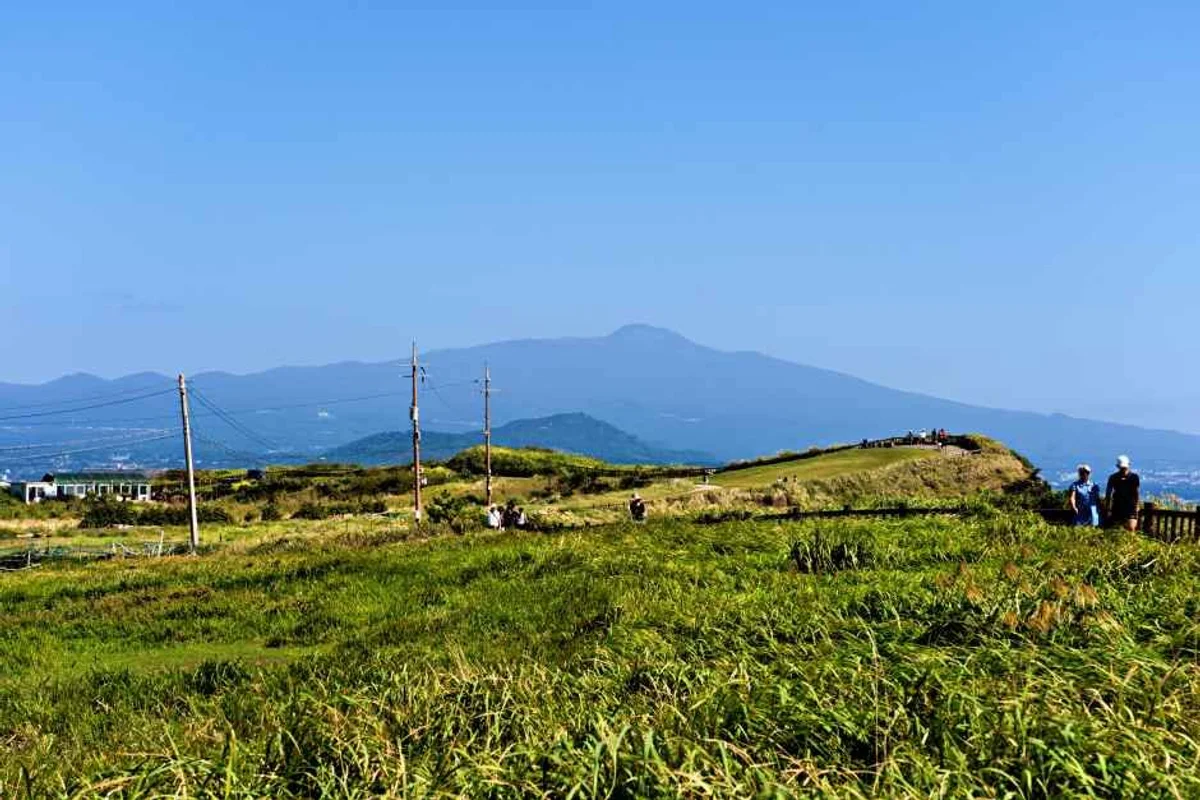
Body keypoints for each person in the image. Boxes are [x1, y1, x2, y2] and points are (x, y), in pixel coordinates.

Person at [1105, 455, 1141, 531]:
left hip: (1130, 507)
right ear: (1118, 466)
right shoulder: (1113, 477)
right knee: (1117, 529)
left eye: (1125, 467)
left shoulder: (1134, 477)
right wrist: (1108, 507)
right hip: (1117, 507)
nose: (1123, 469)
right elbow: (1108, 494)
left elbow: (1136, 492)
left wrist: (1137, 505)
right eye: (1122, 468)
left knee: (1131, 528)